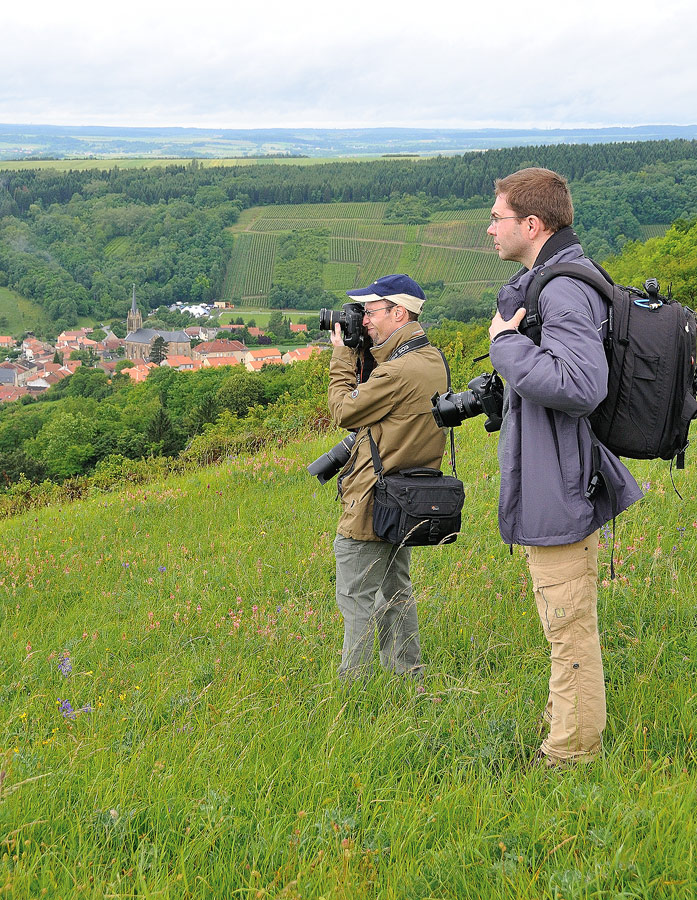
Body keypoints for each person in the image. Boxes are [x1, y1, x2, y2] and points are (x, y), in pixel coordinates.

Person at [486, 168, 643, 766]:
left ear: (532, 224)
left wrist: (506, 345)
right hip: (557, 479)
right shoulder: (546, 282)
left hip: (563, 488)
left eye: (497, 217)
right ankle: (565, 733)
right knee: (563, 628)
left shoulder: (561, 290)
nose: (490, 229)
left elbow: (581, 384)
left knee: (569, 633)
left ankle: (572, 757)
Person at [328, 274, 448, 680]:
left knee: (356, 597)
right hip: (404, 498)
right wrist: (371, 352)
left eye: (370, 311)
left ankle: (355, 691)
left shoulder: (395, 373)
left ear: (398, 312)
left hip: (371, 502)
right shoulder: (431, 359)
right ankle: (407, 675)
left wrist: (343, 357)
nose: (362, 321)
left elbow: (344, 412)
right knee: (396, 592)